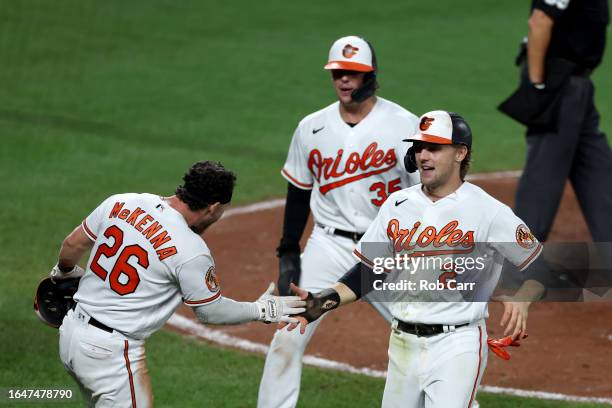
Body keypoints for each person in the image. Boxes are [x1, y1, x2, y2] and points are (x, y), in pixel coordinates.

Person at [286, 111, 547, 408]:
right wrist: (323, 301)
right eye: (419, 148)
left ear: (460, 153)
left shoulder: (487, 210)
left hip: (456, 344)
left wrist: (523, 298)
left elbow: (539, 265)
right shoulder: (397, 205)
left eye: (434, 148)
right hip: (402, 343)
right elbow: (370, 272)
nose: (423, 156)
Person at [51, 161, 305, 407]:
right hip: (111, 355)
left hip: (71, 334)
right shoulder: (191, 250)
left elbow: (73, 245)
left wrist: (63, 273)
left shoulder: (122, 201)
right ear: (214, 207)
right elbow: (210, 310)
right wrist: (262, 310)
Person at [257, 35, 420, 407]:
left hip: (385, 248)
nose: (345, 80)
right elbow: (298, 191)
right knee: (288, 330)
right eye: (338, 74)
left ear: (370, 76)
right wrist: (288, 252)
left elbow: (423, 195)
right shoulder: (311, 127)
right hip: (328, 244)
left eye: (353, 73)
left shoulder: (403, 125)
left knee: (420, 334)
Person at [514, 0, 612, 242]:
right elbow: (539, 21)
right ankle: (521, 266)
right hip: (557, 84)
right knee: (544, 174)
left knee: (597, 168)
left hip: (577, 86)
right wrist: (538, 86)